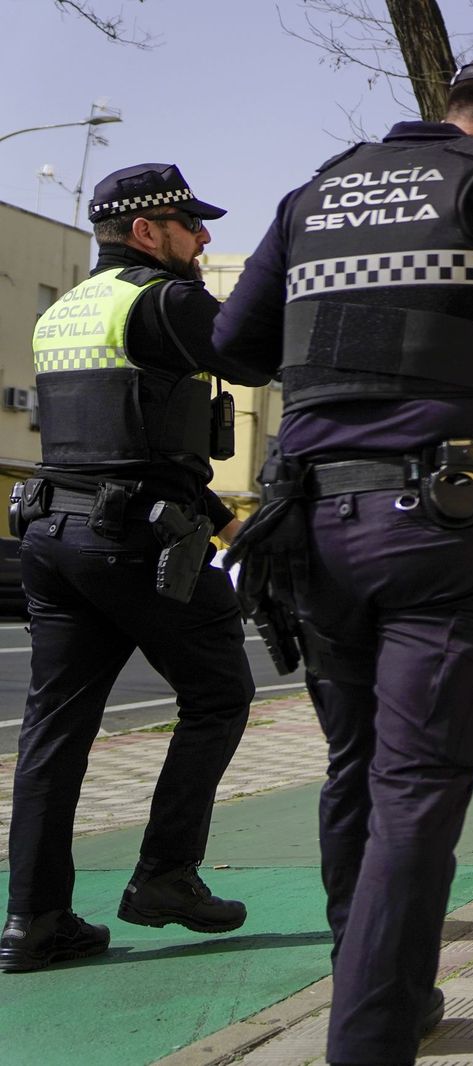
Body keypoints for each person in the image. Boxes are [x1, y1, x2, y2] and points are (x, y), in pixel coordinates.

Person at [212, 56, 473, 1065]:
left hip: (310, 520)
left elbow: (235, 343)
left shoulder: (318, 190)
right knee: (416, 789)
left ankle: (379, 990)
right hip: (439, 524)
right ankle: (368, 1037)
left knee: (355, 770)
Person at [2, 165, 267, 974]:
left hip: (52, 534)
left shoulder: (64, 310)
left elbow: (126, 443)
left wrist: (226, 523)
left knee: (54, 730)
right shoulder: (167, 300)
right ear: (147, 232)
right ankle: (165, 876)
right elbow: (258, 360)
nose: (205, 237)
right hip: (134, 544)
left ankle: (34, 922)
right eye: (190, 223)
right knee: (219, 695)